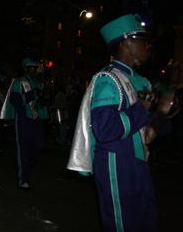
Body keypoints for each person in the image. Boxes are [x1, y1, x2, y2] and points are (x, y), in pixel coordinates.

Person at [67, 13, 158, 231]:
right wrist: (140, 109)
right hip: (116, 160)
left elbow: (149, 133)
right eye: (142, 40)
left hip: (140, 162)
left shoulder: (143, 81)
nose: (148, 46)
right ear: (127, 42)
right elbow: (105, 129)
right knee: (121, 224)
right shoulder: (108, 78)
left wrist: (164, 113)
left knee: (147, 219)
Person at [0, 47, 50, 189]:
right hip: (22, 118)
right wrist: (31, 94)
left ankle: (27, 164)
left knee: (39, 146)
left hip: (35, 118)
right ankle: (23, 179)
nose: (35, 69)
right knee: (24, 148)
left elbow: (38, 104)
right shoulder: (18, 82)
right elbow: (15, 101)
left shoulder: (37, 83)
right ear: (26, 68)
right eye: (32, 67)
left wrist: (44, 99)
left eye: (36, 67)